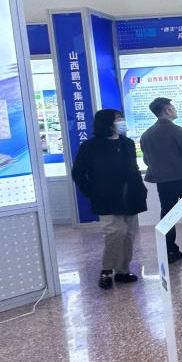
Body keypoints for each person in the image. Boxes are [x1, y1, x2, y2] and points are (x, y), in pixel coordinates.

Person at [71, 109, 147, 289]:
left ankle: (122, 270)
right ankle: (106, 270)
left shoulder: (127, 143)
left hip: (131, 196)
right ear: (106, 123)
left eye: (122, 118)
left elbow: (133, 168)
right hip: (106, 198)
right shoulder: (90, 146)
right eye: (118, 119)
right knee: (115, 232)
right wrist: (92, 191)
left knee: (128, 234)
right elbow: (78, 173)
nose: (122, 122)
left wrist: (140, 189)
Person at [140, 97, 182, 263]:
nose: (175, 110)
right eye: (173, 107)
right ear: (167, 110)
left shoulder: (146, 135)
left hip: (163, 182)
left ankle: (170, 250)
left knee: (168, 214)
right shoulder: (178, 130)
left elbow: (147, 160)